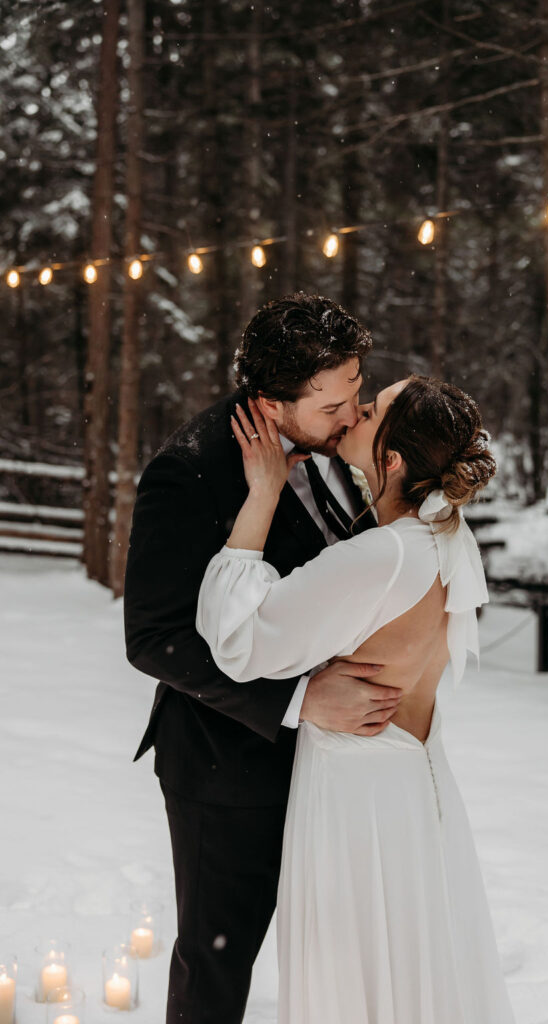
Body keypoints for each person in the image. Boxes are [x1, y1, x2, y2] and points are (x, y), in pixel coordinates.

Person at [196, 375, 517, 1024]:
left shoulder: (381, 556)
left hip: (357, 804)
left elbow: (234, 638)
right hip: (413, 790)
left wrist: (261, 497)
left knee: (354, 973)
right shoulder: (444, 538)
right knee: (405, 967)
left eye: (368, 412)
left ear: (391, 462)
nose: (351, 417)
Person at [124, 293, 405, 1024]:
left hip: (334, 762)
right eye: (334, 403)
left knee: (335, 952)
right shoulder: (186, 472)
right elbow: (153, 637)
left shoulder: (333, 447)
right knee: (218, 961)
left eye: (356, 394)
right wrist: (297, 701)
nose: (352, 416)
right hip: (227, 766)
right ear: (270, 400)